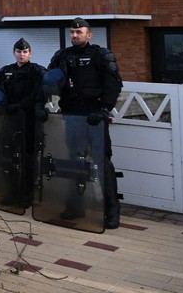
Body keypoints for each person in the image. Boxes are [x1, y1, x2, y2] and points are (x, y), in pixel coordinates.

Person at [46, 17, 123, 229]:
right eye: (72, 32)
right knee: (74, 162)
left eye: (79, 32)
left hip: (94, 116)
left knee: (102, 163)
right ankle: (75, 207)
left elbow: (114, 84)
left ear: (89, 35)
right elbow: (48, 81)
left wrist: (104, 109)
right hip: (72, 115)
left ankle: (111, 211)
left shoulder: (101, 54)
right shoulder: (62, 56)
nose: (74, 35)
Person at [0, 38, 46, 205]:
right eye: (19, 52)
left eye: (25, 52)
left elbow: (40, 92)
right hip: (10, 120)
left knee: (28, 159)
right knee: (10, 156)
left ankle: (27, 196)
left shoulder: (36, 70)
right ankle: (12, 192)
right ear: (14, 53)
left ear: (30, 53)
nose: (22, 55)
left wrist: (21, 105)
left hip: (27, 119)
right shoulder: (7, 70)